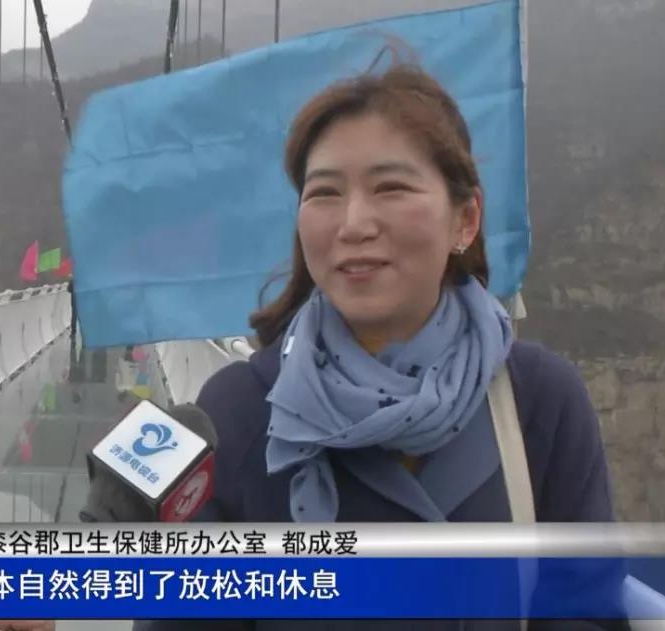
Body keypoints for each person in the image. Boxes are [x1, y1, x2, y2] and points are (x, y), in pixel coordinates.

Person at [135, 63, 629, 630]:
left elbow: (586, 613)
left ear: (465, 219)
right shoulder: (238, 410)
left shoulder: (538, 399)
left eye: (391, 188)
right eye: (325, 193)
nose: (354, 224)